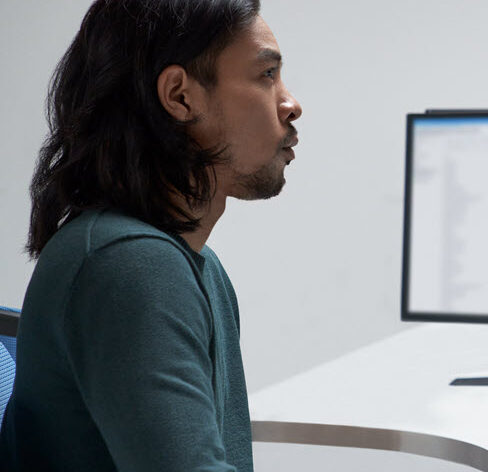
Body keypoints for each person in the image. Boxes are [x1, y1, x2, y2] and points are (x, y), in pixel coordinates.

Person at [0, 0, 302, 469]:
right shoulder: (129, 265)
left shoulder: (192, 266)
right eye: (266, 75)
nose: (291, 103)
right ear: (180, 96)